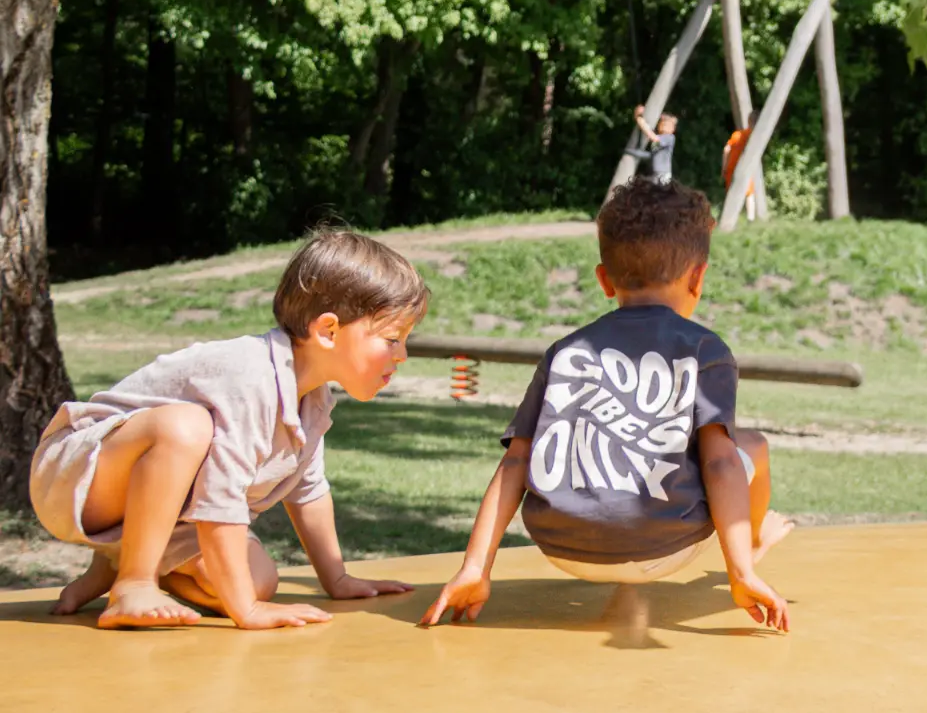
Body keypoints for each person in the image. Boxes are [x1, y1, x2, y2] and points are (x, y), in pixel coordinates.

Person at [421, 179, 792, 633]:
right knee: (750, 447)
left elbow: (516, 458)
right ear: (698, 277)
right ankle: (749, 549)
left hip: (560, 547)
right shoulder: (705, 349)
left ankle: (738, 552)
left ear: (603, 280)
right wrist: (741, 575)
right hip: (664, 550)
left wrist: (474, 569)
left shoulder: (565, 350)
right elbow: (719, 465)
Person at [32, 230, 427, 629]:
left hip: (162, 512)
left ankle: (120, 562)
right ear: (328, 331)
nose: (403, 355)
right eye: (393, 339)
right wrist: (246, 612)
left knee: (258, 582)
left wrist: (337, 579)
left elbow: (307, 490)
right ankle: (135, 581)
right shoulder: (250, 377)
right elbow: (220, 503)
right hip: (74, 476)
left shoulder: (313, 399)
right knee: (186, 427)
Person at [628, 104, 677, 183]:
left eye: (668, 124)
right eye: (663, 123)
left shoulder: (669, 137)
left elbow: (652, 136)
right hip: (655, 174)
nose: (664, 125)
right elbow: (652, 154)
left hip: (663, 175)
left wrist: (639, 119)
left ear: (673, 129)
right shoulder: (659, 137)